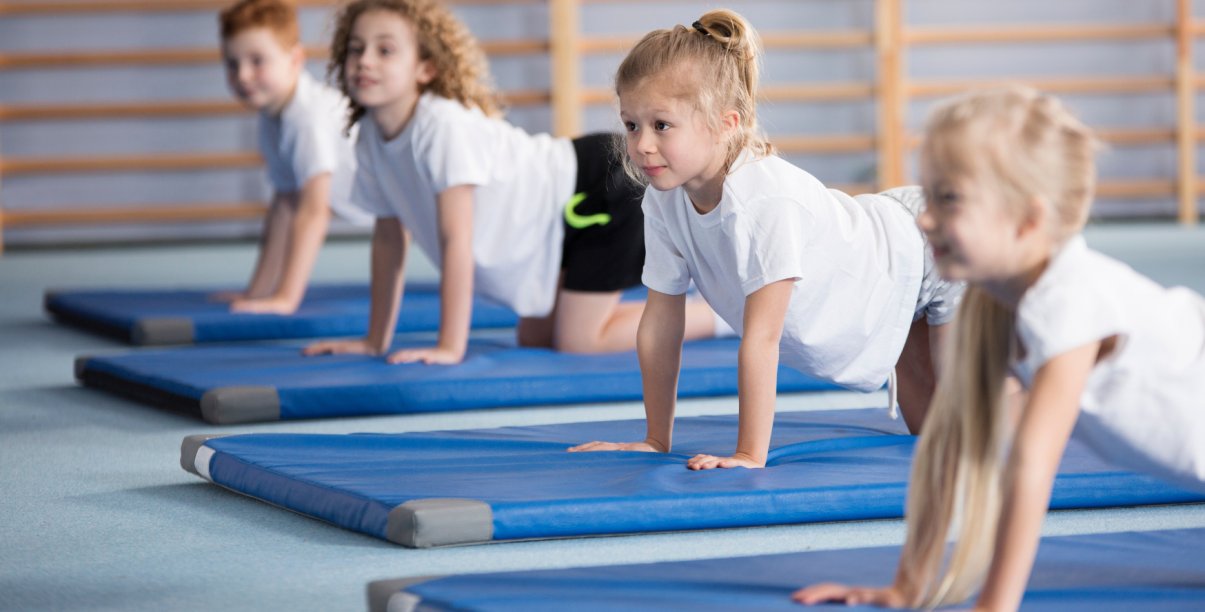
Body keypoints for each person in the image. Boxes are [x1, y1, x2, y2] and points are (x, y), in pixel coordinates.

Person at [793, 86, 1205, 610]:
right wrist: (909, 586)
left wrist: (995, 604)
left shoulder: (1069, 299)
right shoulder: (996, 302)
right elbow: (950, 445)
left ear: (1028, 221)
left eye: (949, 198)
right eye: (930, 192)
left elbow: (1031, 464)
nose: (923, 217)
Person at [568, 9, 962, 469]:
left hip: (929, 248)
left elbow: (762, 337)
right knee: (931, 438)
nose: (641, 145)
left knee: (970, 426)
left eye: (662, 125)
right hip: (888, 276)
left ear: (726, 123)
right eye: (631, 124)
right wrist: (656, 439)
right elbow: (660, 323)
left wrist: (749, 454)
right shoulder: (662, 201)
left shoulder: (762, 202)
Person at [303, 0, 718, 365]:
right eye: (355, 49)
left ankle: (716, 316)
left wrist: (450, 346)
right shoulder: (370, 137)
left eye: (385, 50)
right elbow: (390, 239)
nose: (365, 61)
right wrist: (374, 341)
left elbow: (456, 242)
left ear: (425, 67)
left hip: (597, 187)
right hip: (552, 225)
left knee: (580, 340)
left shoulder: (441, 126)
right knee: (535, 338)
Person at [216, 0, 370, 315]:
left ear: (295, 59)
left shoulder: (306, 119)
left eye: (257, 61)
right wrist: (257, 292)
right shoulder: (273, 116)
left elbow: (314, 212)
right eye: (232, 63)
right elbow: (285, 205)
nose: (243, 75)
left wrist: (286, 298)